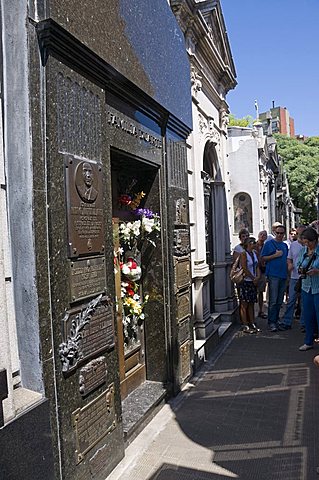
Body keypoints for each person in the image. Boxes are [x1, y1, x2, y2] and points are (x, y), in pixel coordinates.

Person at [277, 225, 306, 330]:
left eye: (303, 233)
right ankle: (287, 322)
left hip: (306, 277)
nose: (300, 235)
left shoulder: (308, 245)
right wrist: (289, 265)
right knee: (291, 300)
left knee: (304, 302)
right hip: (294, 276)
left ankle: (304, 323)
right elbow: (289, 258)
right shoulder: (293, 245)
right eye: (299, 233)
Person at [261, 224, 288, 332]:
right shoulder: (269, 244)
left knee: (279, 301)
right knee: (273, 300)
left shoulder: (285, 246)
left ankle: (276, 320)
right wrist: (274, 255)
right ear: (275, 233)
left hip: (283, 275)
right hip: (273, 275)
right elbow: (263, 258)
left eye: (282, 233)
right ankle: (271, 322)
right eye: (278, 233)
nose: (280, 235)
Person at [297, 227, 319, 351]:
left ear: (315, 240)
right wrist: (301, 269)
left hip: (318, 287)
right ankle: (308, 341)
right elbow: (298, 264)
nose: (306, 244)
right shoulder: (303, 251)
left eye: (308, 242)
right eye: (304, 242)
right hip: (306, 287)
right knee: (308, 315)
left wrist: (317, 271)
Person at [239, 237, 260, 333]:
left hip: (253, 281)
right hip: (246, 281)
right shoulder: (244, 254)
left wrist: (257, 277)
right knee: (244, 303)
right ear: (248, 244)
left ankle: (252, 322)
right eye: (253, 242)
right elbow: (244, 268)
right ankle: (245, 324)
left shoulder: (255, 253)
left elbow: (257, 266)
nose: (255, 244)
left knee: (251, 302)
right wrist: (252, 278)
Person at [255, 230, 268, 318]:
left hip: (262, 271)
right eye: (261, 234)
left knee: (260, 291)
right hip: (253, 271)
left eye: (264, 235)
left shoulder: (266, 246)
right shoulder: (253, 245)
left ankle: (260, 310)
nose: (262, 236)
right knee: (253, 292)